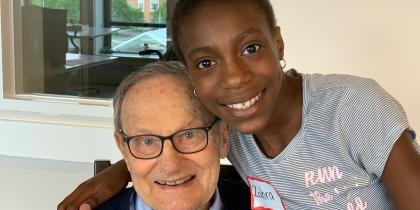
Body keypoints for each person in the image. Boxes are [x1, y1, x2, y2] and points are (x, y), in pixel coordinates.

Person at [59, 0, 420, 209]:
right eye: (206, 63)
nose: (234, 79)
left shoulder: (353, 108)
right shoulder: (230, 124)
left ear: (277, 43)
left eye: (250, 48)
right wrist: (121, 172)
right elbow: (177, 150)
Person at [95, 61, 250, 210]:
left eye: (189, 135)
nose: (171, 166)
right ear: (124, 150)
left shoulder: (270, 203)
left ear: (223, 137)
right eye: (147, 141)